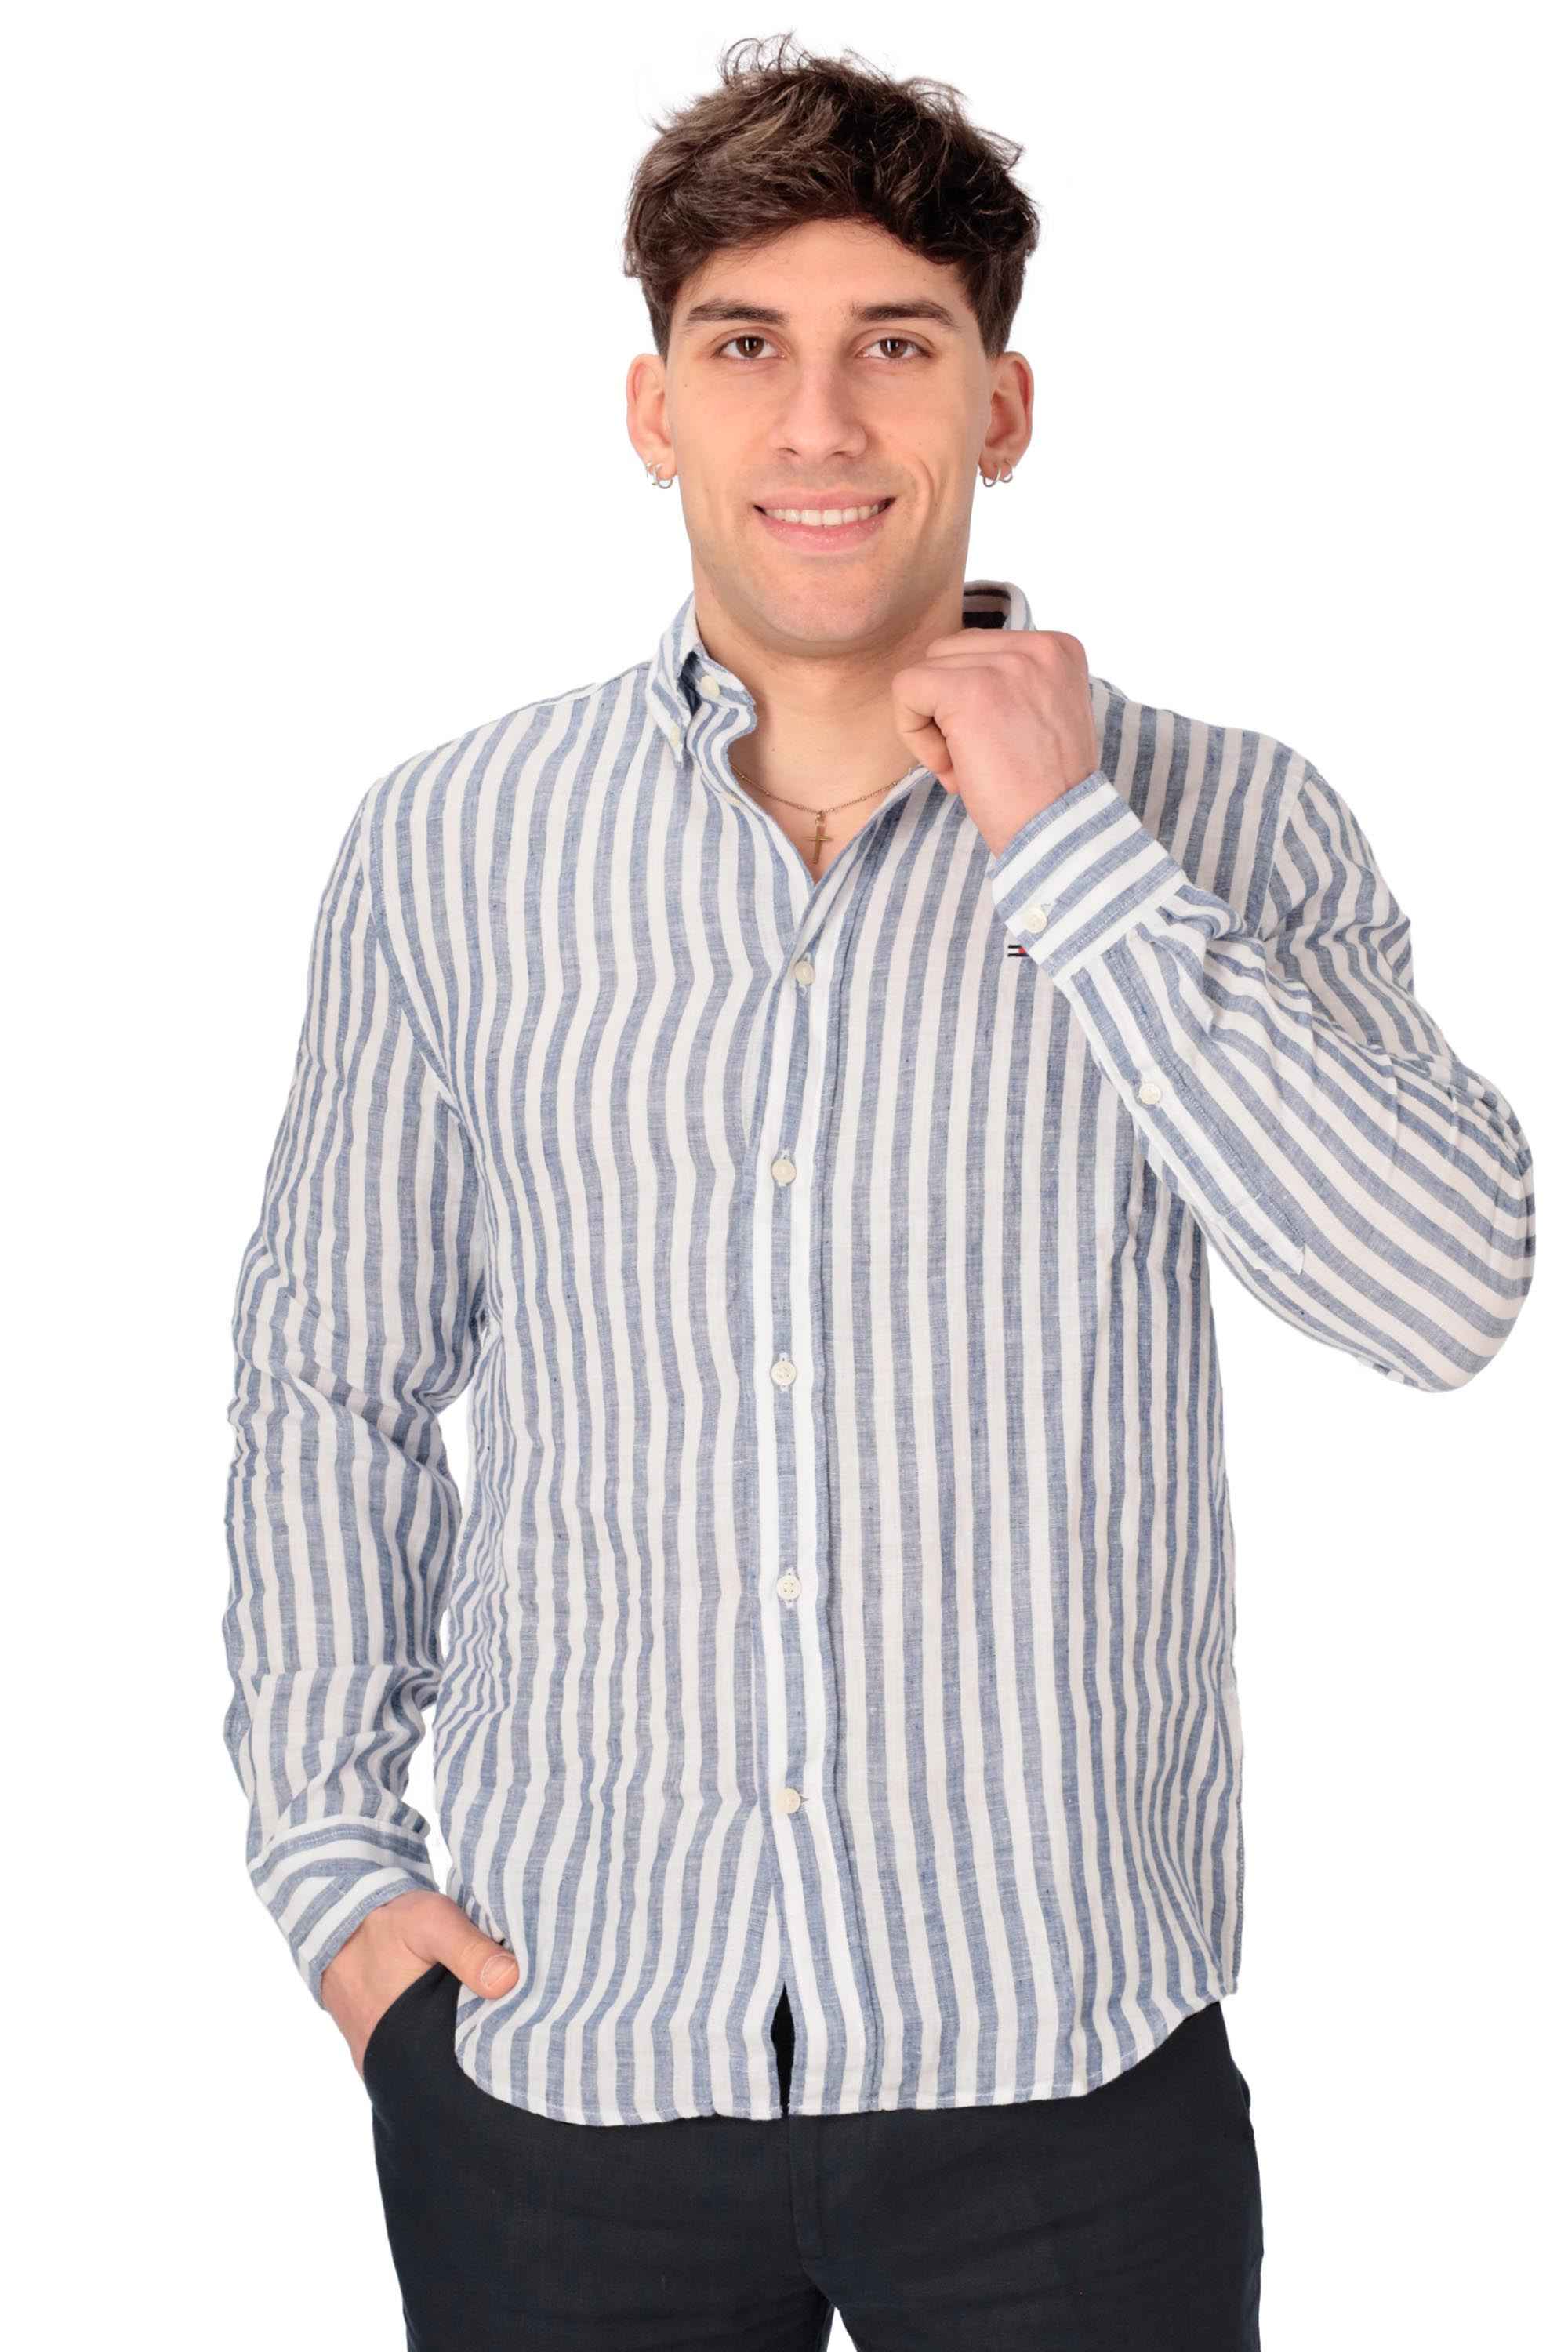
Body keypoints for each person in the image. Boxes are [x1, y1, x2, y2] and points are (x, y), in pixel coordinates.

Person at [220, 33, 1535, 2351]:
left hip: (1068, 2083)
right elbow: (336, 1377)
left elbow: (1443, 1293)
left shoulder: (1228, 821)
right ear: (655, 411)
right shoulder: (451, 846)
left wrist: (1072, 849)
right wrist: (335, 1870)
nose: (818, 422)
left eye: (895, 348)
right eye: (748, 348)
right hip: (564, 2066)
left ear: (1000, 407)